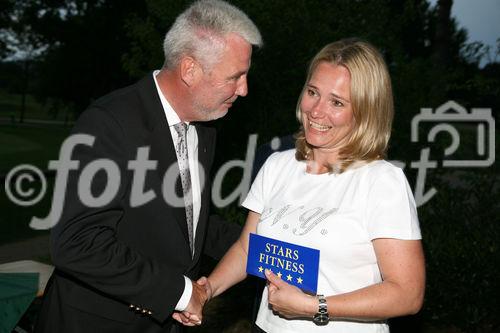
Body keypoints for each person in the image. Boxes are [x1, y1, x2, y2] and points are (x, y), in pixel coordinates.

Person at [35, 1, 262, 332]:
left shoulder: (204, 128)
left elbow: (187, 224)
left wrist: (266, 246)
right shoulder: (110, 123)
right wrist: (182, 293)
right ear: (190, 70)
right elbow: (76, 242)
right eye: (236, 76)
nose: (244, 90)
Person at [179, 39, 425, 332]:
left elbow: (407, 294)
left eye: (337, 102)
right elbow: (248, 248)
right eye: (313, 93)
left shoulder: (382, 181)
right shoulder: (277, 165)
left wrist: (314, 307)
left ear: (365, 111)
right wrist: (207, 291)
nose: (317, 111)